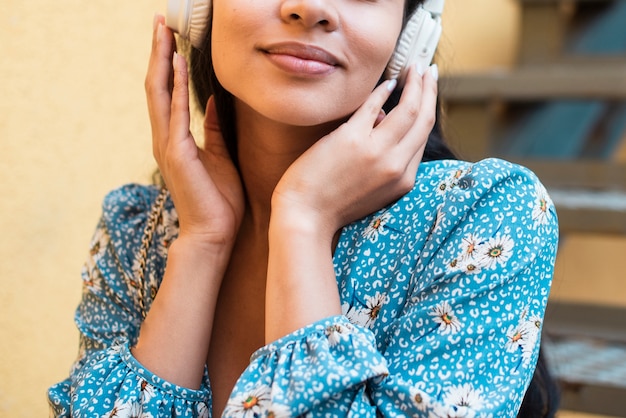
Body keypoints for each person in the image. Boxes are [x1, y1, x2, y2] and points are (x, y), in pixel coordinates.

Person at [48, 0, 559, 416]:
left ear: (413, 35)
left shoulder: (484, 216)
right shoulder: (137, 230)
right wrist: (202, 244)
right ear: (199, 9)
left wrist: (302, 221)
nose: (310, 8)